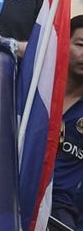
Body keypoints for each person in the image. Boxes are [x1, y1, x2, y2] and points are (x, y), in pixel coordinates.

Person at [50, 15, 83, 229]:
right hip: (12, 198)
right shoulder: (34, 88)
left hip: (61, 214)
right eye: (80, 45)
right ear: (64, 43)